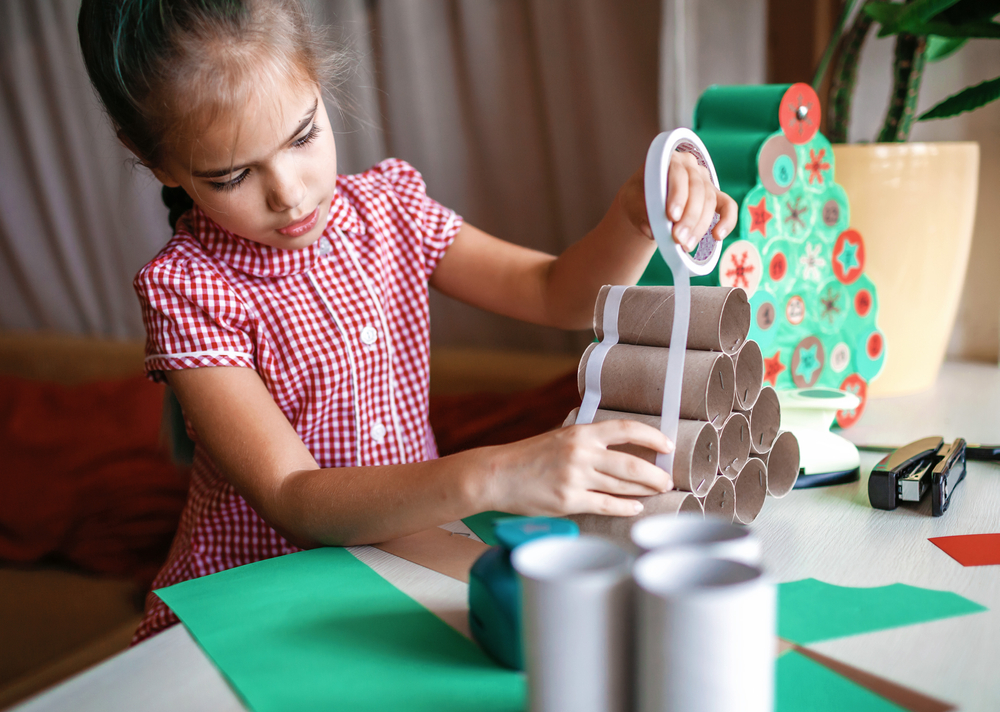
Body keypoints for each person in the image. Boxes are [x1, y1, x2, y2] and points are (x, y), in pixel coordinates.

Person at [78, 0, 737, 642]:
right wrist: (498, 473)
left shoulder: (392, 210)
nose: (290, 191)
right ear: (155, 159)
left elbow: (556, 292)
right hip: (259, 604)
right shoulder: (188, 289)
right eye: (231, 176)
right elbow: (295, 497)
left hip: (405, 564)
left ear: (319, 83)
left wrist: (635, 217)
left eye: (303, 135)